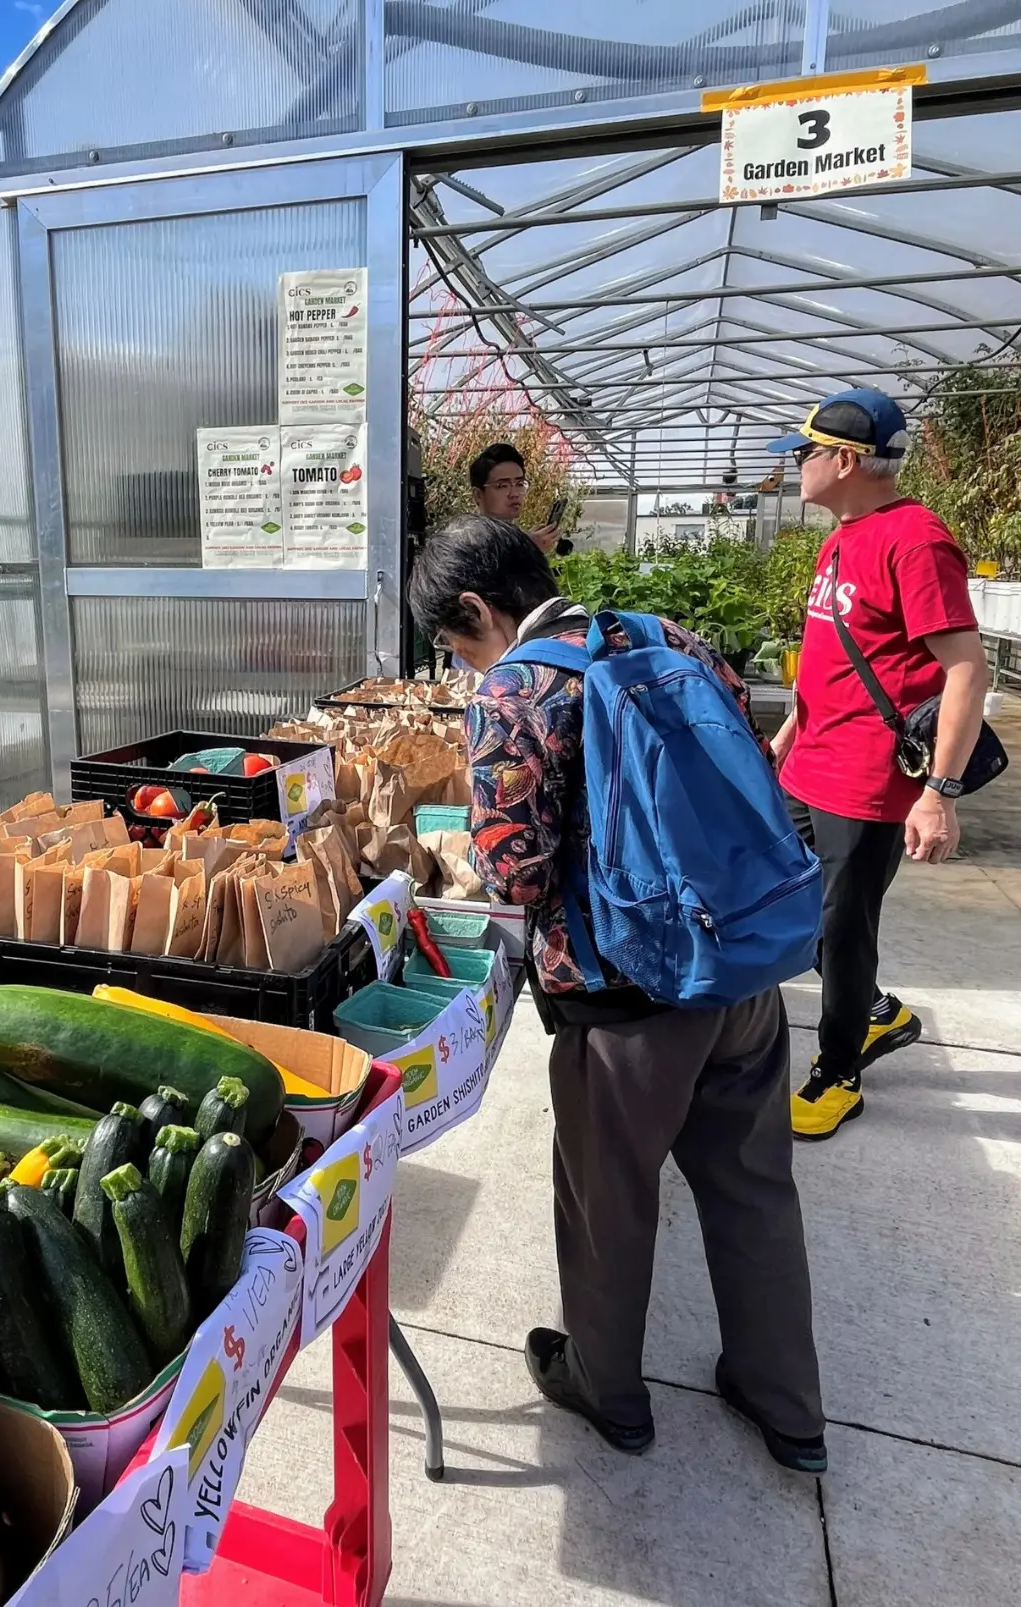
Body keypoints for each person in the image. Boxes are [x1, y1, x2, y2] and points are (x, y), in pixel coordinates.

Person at [408, 514, 826, 1474]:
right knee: (755, 1189)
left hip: (625, 1002)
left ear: (478, 609)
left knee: (609, 1200)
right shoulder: (664, 634)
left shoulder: (518, 686)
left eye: (455, 642)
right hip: (740, 970)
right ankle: (787, 1403)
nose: (466, 665)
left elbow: (514, 876)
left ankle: (608, 1385)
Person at [766, 389, 989, 1141]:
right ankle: (877, 1010)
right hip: (810, 766)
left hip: (866, 783)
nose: (797, 464)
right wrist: (790, 731)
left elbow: (966, 669)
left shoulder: (916, 541)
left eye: (806, 452)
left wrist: (939, 793)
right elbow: (836, 652)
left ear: (848, 460)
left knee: (843, 924)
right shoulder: (843, 535)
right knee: (794, 905)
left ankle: (839, 1072)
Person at [469, 443, 561, 554]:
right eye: (502, 486)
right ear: (478, 495)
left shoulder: (513, 537)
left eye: (519, 484)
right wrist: (529, 549)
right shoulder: (471, 541)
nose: (514, 493)